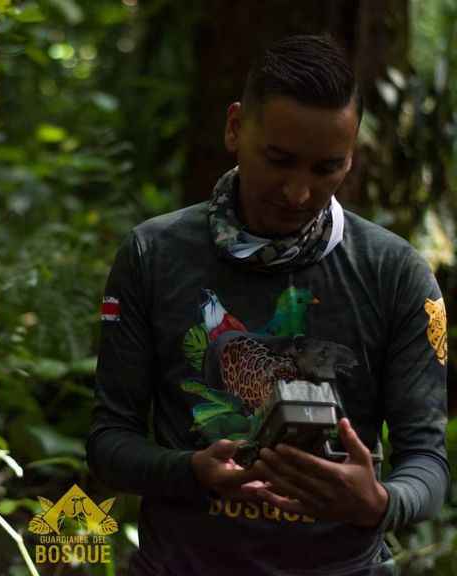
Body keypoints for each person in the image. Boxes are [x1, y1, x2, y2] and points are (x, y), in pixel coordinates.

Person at [88, 35, 449, 575]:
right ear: (235, 128)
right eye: (278, 160)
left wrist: (380, 504)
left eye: (328, 168)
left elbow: (427, 461)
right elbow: (109, 441)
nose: (299, 193)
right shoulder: (153, 255)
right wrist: (191, 470)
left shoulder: (395, 273)